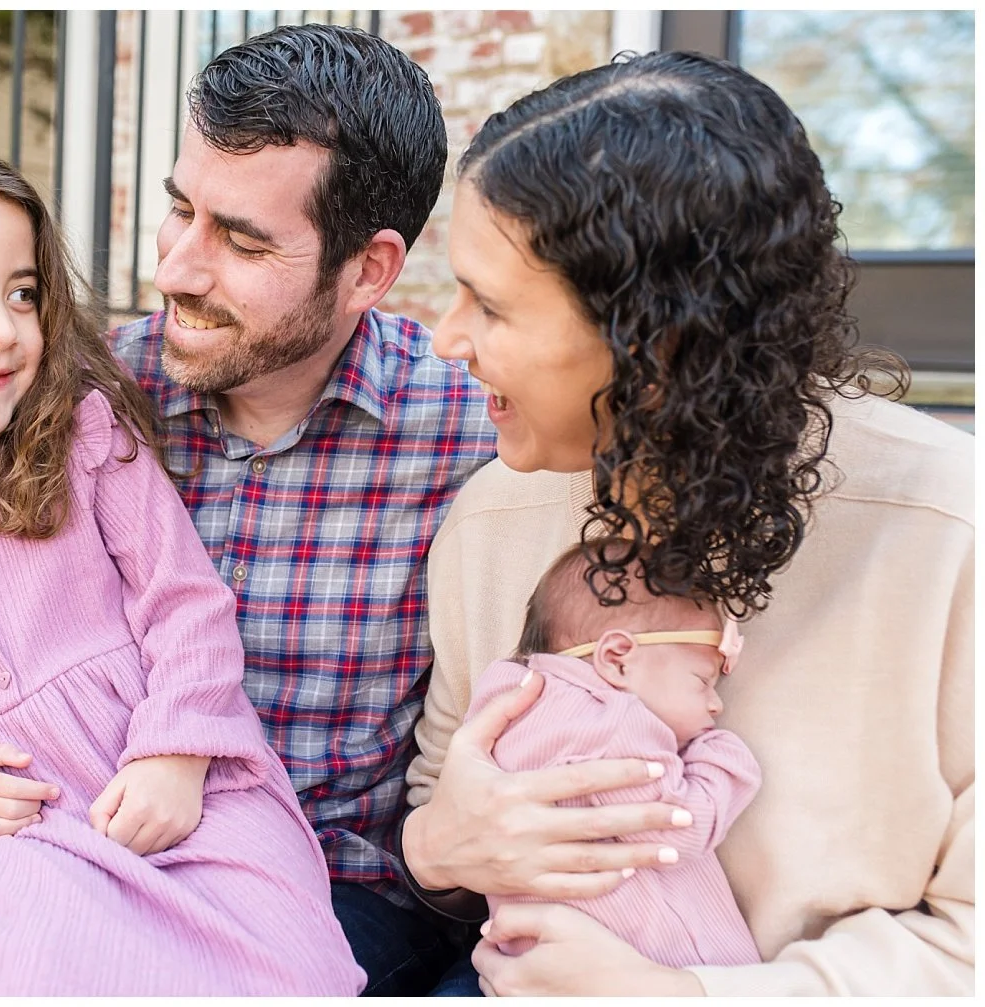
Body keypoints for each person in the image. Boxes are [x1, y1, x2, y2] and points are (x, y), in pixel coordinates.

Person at [0, 25, 497, 997]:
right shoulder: (66, 391)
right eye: (180, 210)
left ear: (369, 269)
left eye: (241, 238)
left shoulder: (472, 428)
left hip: (323, 869)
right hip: (45, 830)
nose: (176, 269)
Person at [402, 50, 973, 996]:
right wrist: (440, 845)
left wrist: (673, 994)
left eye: (491, 305)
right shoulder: (493, 516)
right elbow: (445, 801)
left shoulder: (951, 529)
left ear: (659, 343)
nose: (446, 337)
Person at [435, 536, 762, 995]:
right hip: (645, 962)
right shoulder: (614, 723)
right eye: (702, 681)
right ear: (617, 660)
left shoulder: (504, 697)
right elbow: (683, 826)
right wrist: (725, 756)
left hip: (530, 967)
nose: (714, 705)